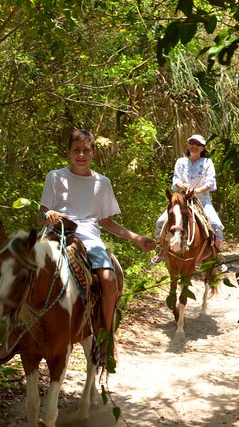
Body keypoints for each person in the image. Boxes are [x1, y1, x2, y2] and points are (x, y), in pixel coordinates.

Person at [39, 129, 155, 363]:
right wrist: (48, 214)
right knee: (22, 272)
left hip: (89, 238)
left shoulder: (102, 183)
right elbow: (41, 214)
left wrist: (136, 237)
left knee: (109, 279)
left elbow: (106, 222)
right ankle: (15, 333)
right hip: (55, 234)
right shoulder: (55, 177)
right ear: (68, 153)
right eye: (76, 150)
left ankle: (106, 337)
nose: (81, 155)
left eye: (86, 150)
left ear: (93, 153)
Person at [152, 134, 226, 270]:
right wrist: (182, 186)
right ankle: (162, 251)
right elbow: (176, 180)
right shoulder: (180, 162)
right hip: (181, 200)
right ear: (188, 145)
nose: (194, 146)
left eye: (198, 144)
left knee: (216, 224)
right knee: (160, 222)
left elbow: (210, 183)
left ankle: (217, 255)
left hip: (202, 201)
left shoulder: (207, 162)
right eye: (192, 143)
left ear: (203, 148)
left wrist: (196, 191)